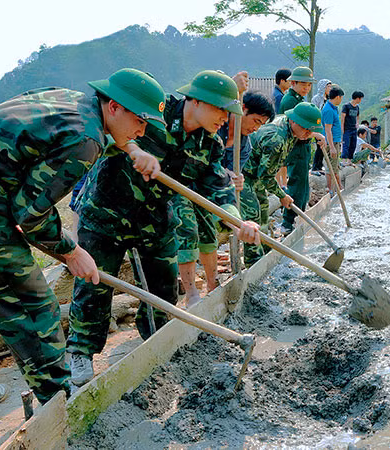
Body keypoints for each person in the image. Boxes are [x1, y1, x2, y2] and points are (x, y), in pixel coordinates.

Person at [0, 68, 166, 420]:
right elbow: (30, 214)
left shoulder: (70, 100)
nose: (142, 131)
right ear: (113, 106)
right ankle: (63, 408)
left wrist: (131, 146)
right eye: (140, 121)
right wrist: (71, 251)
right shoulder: (85, 140)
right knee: (33, 306)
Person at [68, 70, 262, 387]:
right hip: (107, 211)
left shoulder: (208, 144)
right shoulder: (154, 111)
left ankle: (155, 342)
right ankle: (80, 351)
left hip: (156, 218)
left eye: (229, 113)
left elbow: (216, 186)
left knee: (162, 289)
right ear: (196, 101)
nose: (225, 119)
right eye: (220, 110)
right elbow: (108, 132)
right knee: (94, 284)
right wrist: (131, 149)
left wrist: (237, 220)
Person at [185, 91, 274, 300]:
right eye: (256, 121)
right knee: (187, 231)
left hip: (215, 192)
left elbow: (225, 179)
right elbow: (207, 165)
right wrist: (226, 175)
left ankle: (212, 283)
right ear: (242, 110)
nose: (256, 128)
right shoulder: (215, 127)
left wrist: (235, 180)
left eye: (261, 124)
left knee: (209, 234)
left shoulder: (245, 145)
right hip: (188, 183)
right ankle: (190, 292)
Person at [242, 103, 324, 266]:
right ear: (294, 121)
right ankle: (253, 263)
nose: (308, 134)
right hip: (244, 173)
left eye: (310, 130)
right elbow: (266, 177)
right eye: (306, 129)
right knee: (252, 213)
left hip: (256, 173)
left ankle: (264, 251)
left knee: (263, 208)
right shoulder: (277, 139)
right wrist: (282, 196)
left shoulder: (290, 127)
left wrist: (313, 134)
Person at [278, 66, 317, 235]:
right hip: (296, 146)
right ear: (292, 83)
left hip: (303, 145)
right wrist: (315, 135)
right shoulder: (290, 101)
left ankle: (298, 215)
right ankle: (288, 222)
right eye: (303, 85)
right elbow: (297, 127)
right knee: (296, 183)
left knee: (302, 183)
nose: (306, 88)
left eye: (309, 85)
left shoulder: (298, 98)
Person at [321, 86, 344, 196]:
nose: (341, 100)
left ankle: (337, 188)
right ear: (338, 97)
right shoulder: (328, 110)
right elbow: (328, 130)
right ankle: (332, 190)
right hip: (332, 142)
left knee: (334, 166)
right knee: (331, 167)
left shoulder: (333, 108)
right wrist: (331, 147)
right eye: (341, 98)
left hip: (335, 141)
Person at [311, 78, 332, 171]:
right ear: (323, 87)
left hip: (324, 125)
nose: (330, 88)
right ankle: (315, 167)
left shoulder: (328, 99)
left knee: (324, 145)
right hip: (317, 125)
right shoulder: (316, 98)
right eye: (328, 86)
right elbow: (315, 111)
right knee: (319, 146)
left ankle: (320, 165)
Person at [341, 91, 363, 160]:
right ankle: (344, 160)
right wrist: (342, 129)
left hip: (354, 129)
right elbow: (342, 118)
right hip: (347, 129)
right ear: (357, 98)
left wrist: (357, 123)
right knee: (346, 145)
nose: (360, 100)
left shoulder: (357, 107)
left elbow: (358, 116)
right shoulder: (346, 106)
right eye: (360, 98)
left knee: (353, 145)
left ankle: (349, 160)